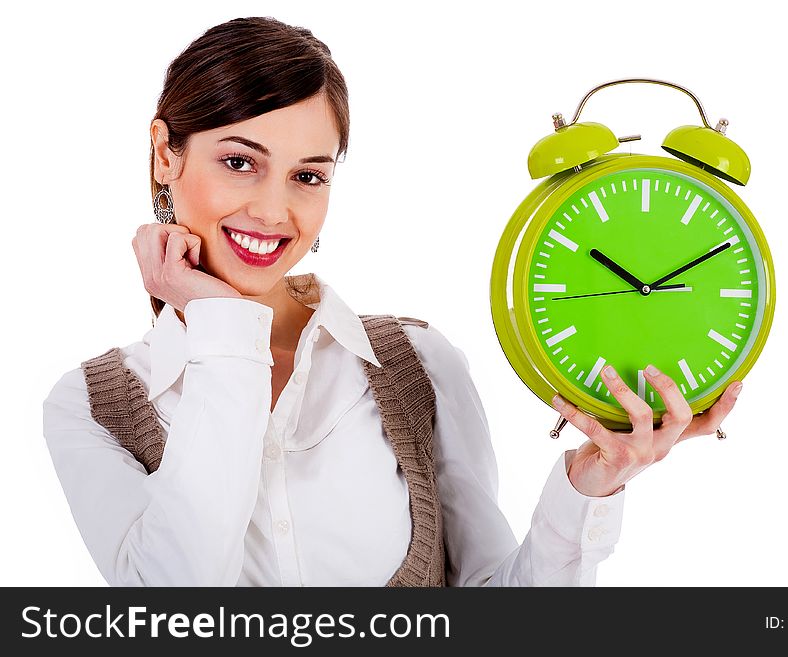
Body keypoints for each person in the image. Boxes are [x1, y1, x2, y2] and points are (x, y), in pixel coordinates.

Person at [42, 16, 743, 587]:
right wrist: (220, 323)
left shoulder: (417, 364)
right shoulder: (91, 405)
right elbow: (177, 609)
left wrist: (594, 483)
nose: (274, 209)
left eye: (308, 175)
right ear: (166, 154)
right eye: (238, 161)